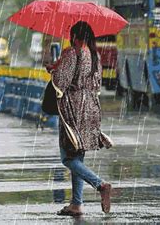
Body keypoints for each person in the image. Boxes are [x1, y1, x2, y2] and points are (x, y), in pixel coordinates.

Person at [47, 21, 112, 217]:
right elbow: (97, 82)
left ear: (75, 36)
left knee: (67, 157)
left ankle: (100, 185)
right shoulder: (94, 55)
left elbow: (61, 82)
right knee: (78, 156)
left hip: (73, 108)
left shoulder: (72, 53)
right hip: (91, 107)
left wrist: (53, 69)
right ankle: (76, 203)